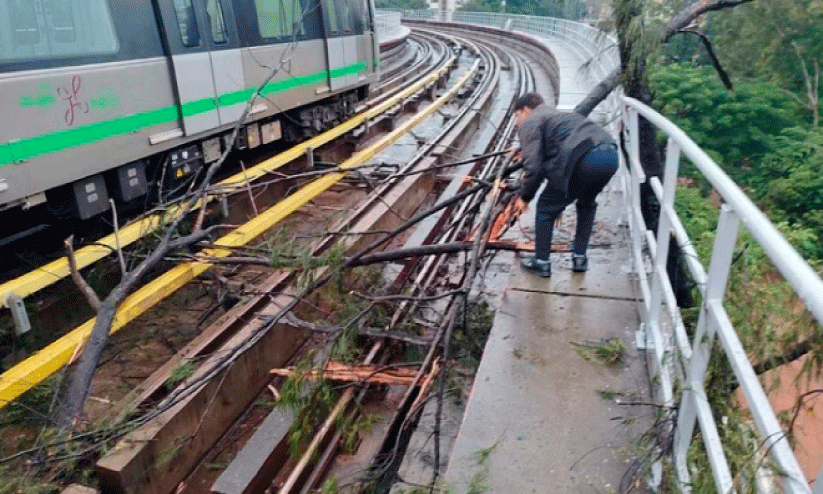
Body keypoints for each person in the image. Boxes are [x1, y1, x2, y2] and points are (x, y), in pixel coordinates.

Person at [511, 93, 618, 277]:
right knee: (586, 203)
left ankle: (542, 262)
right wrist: (559, 202)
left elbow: (534, 167)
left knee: (545, 207)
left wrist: (525, 197)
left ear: (525, 109)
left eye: (517, 116)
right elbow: (555, 160)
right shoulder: (559, 117)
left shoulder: (532, 120)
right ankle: (579, 258)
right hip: (610, 155)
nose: (517, 122)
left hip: (585, 158)